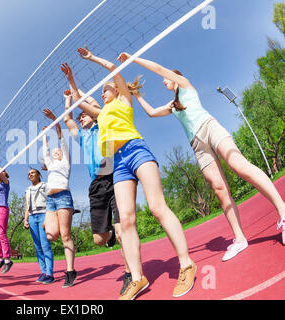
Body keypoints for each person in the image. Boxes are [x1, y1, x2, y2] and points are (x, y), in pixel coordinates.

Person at [116, 52, 285, 253]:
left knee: (238, 165)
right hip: (197, 144)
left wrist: (132, 59)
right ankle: (239, 238)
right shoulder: (173, 105)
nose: (163, 81)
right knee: (218, 188)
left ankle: (283, 212)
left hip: (209, 127)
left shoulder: (185, 84)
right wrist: (136, 95)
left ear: (174, 76)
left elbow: (159, 69)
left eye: (165, 79)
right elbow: (152, 113)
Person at [73, 46, 196, 300]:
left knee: (156, 206)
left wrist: (92, 58)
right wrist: (72, 81)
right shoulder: (101, 112)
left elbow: (113, 69)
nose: (102, 91)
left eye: (105, 88)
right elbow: (79, 103)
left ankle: (186, 264)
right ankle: (138, 278)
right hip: (117, 162)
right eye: (102, 90)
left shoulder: (124, 101)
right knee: (126, 220)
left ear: (117, 90)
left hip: (136, 150)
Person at [59, 72, 132, 294]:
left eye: (84, 115)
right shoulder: (82, 136)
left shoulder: (102, 123)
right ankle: (110, 233)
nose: (81, 118)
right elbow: (67, 120)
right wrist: (67, 100)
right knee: (99, 239)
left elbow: (90, 102)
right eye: (80, 116)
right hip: (95, 186)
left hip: (114, 177)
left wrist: (73, 82)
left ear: (92, 116)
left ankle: (129, 274)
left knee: (122, 232)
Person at [41, 108, 77, 288]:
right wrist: (44, 136)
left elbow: (61, 137)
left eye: (58, 151)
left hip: (63, 197)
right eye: (54, 152)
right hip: (50, 200)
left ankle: (70, 271)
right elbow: (45, 149)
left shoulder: (65, 162)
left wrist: (54, 120)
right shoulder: (50, 163)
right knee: (50, 235)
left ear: (62, 154)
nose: (55, 152)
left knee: (65, 235)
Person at [24, 168, 55, 284]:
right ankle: (43, 272)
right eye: (28, 173)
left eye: (32, 173)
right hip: (32, 217)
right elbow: (27, 206)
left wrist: (48, 217)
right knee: (37, 247)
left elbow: (50, 201)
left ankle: (50, 274)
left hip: (43, 214)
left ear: (38, 174)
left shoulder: (45, 185)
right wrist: (25, 219)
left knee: (45, 245)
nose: (30, 174)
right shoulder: (27, 190)